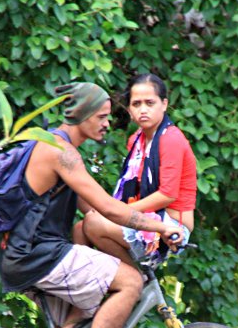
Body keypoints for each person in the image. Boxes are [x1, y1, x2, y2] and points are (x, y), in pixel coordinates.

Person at [0, 82, 182, 328]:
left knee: (88, 315)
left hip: (30, 256)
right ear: (81, 115)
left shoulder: (60, 151)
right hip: (39, 255)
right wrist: (160, 227)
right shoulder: (61, 153)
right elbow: (109, 208)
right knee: (131, 282)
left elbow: (93, 212)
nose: (107, 123)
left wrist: (133, 229)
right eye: (101, 116)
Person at [80, 74, 197, 263]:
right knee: (80, 228)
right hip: (142, 218)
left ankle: (135, 278)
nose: (143, 110)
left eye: (150, 103)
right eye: (136, 104)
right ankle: (85, 286)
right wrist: (120, 212)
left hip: (172, 227)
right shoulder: (135, 140)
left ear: (164, 104)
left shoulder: (171, 139)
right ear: (129, 110)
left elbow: (167, 195)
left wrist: (122, 212)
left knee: (94, 222)